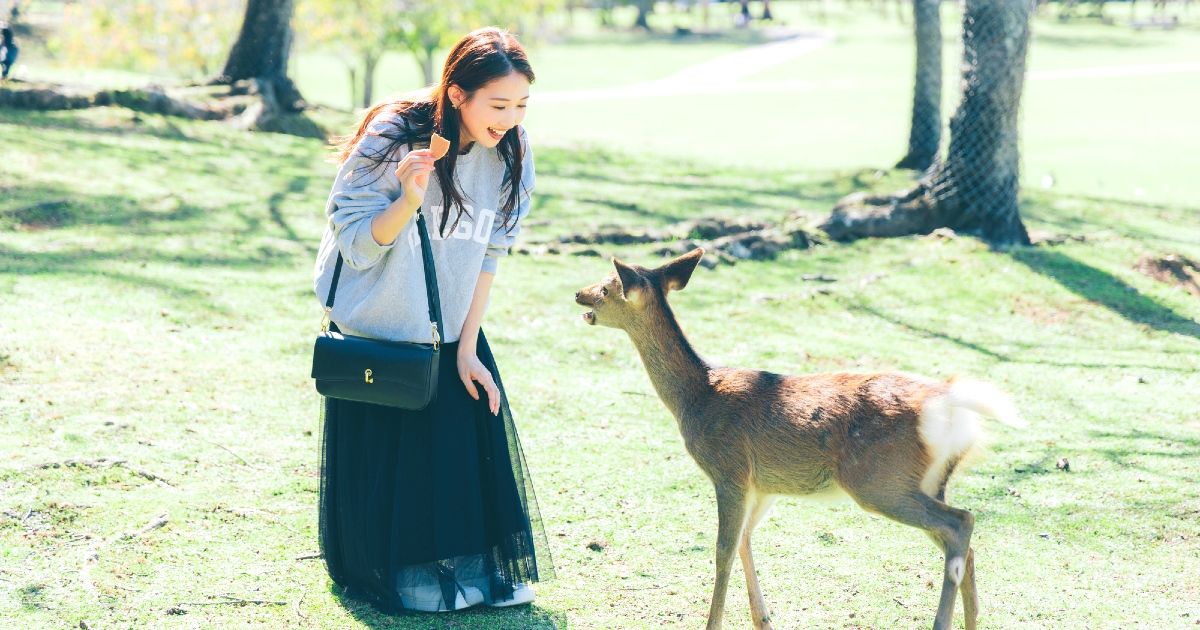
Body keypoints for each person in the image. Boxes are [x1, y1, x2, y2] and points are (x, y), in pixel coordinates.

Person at [312, 27, 553, 614]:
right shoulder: (394, 134)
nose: (510, 119)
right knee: (405, 468)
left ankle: (467, 573)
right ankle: (408, 575)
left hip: (452, 329)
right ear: (456, 94)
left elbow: (489, 255)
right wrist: (407, 200)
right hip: (383, 333)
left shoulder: (512, 154)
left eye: (521, 105)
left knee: (466, 443)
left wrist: (468, 347)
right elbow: (356, 245)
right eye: (498, 105)